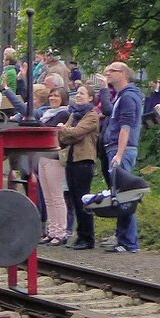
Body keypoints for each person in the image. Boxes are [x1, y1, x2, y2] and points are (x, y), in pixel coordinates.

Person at [101, 62, 143, 253]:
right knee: (120, 194)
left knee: (125, 195)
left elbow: (126, 127)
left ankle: (129, 242)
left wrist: (118, 154)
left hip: (121, 150)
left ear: (124, 74)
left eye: (112, 71)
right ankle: (122, 238)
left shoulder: (128, 97)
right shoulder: (121, 96)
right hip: (117, 148)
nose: (107, 73)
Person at [58, 85, 101, 250]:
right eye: (78, 93)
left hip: (84, 160)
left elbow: (75, 132)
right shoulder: (74, 115)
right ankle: (80, 235)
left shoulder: (92, 116)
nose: (78, 96)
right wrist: (67, 132)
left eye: (82, 93)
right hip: (71, 160)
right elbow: (64, 136)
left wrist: (65, 130)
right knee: (75, 200)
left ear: (90, 98)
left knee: (83, 200)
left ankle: (88, 238)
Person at [36, 87, 72, 245]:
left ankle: (60, 231)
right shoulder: (47, 113)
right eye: (51, 95)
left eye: (56, 96)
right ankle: (51, 231)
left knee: (57, 196)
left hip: (55, 158)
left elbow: (47, 129)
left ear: (63, 98)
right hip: (42, 156)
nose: (52, 98)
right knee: (47, 197)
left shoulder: (63, 113)